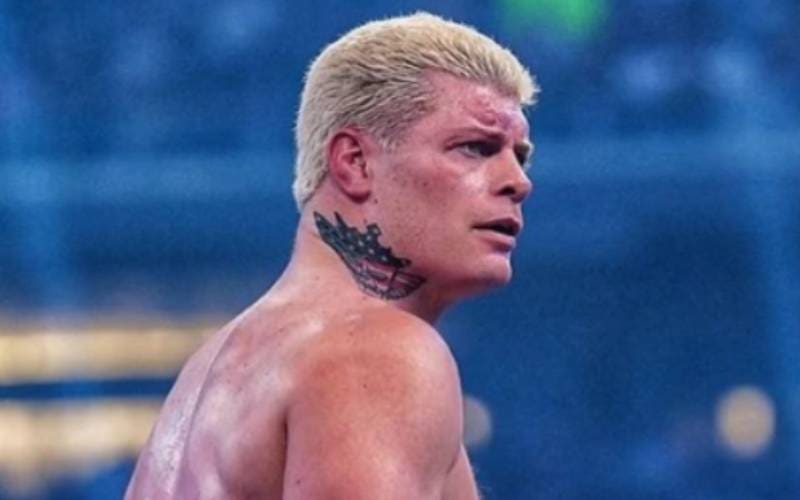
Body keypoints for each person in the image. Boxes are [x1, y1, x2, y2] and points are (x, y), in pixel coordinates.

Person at [125, 11, 537, 500]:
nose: (518, 182)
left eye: (520, 156)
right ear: (354, 163)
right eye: (475, 148)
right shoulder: (376, 351)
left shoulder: (210, 373)